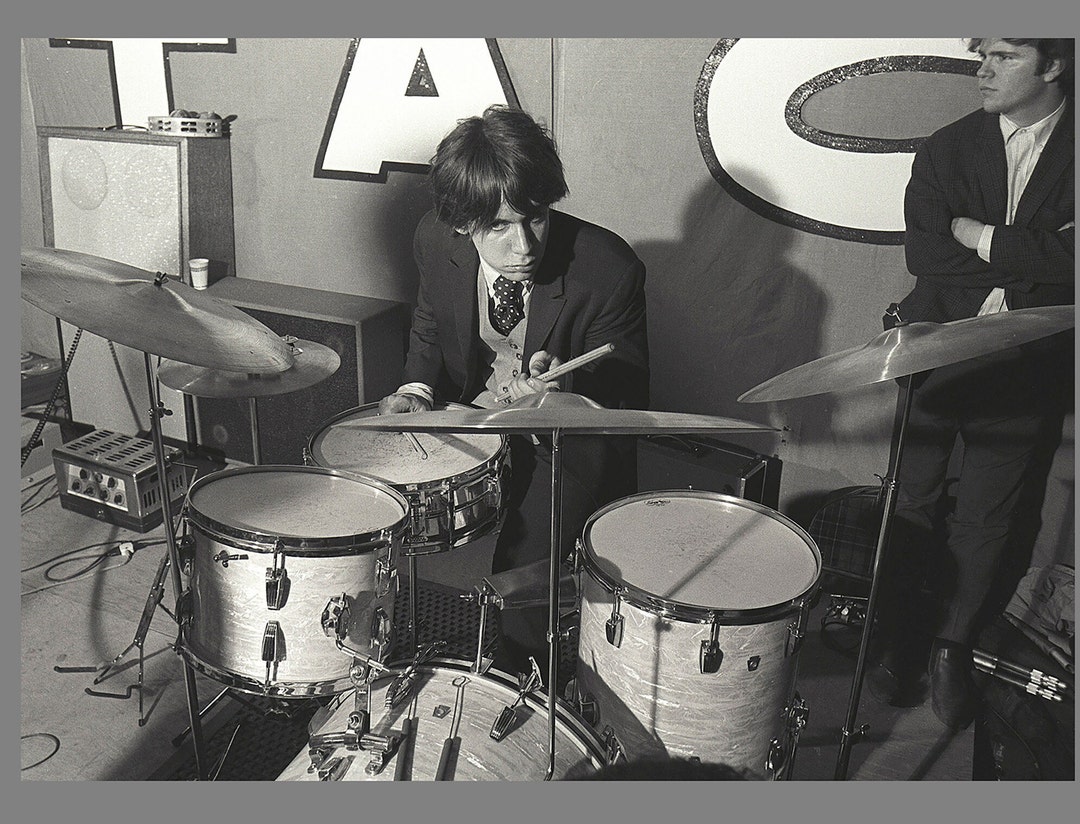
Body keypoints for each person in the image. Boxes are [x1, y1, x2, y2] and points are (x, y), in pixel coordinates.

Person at [379, 105, 649, 678]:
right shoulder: (433, 238)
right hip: (476, 413)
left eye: (535, 217)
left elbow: (621, 400)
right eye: (498, 226)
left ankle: (524, 688)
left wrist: (557, 397)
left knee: (522, 576)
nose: (524, 245)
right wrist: (417, 388)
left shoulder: (609, 268)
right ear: (460, 223)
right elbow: (430, 321)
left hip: (566, 441)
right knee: (371, 515)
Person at [871, 39, 1074, 729]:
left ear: (1054, 64)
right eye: (980, 51)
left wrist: (979, 235)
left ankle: (951, 648)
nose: (982, 69)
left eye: (1005, 54)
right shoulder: (948, 145)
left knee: (989, 517)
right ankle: (900, 634)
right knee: (914, 500)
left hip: (1031, 364)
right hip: (937, 347)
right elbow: (925, 252)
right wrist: (1039, 256)